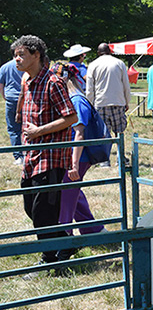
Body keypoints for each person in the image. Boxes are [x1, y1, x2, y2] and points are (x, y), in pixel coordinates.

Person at [12, 35, 79, 266]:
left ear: (36, 55)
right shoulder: (27, 81)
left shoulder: (54, 82)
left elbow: (71, 117)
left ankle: (49, 260)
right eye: (15, 55)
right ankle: (65, 242)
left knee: (44, 212)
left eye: (21, 54)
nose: (17, 59)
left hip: (51, 157)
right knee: (31, 208)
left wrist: (39, 131)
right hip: (31, 156)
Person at [52, 62, 106, 237]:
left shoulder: (76, 100)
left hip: (79, 157)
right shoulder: (72, 99)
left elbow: (79, 134)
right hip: (73, 156)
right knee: (73, 192)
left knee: (65, 198)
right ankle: (93, 230)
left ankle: (65, 237)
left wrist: (73, 165)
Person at [85, 42, 131, 165]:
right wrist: (127, 101)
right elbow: (126, 84)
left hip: (100, 102)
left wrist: (89, 105)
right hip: (118, 101)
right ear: (110, 51)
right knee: (119, 132)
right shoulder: (119, 63)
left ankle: (104, 160)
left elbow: (90, 89)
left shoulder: (93, 64)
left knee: (103, 133)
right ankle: (120, 158)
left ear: (98, 53)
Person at [0, 57, 24, 165]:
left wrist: (5, 97)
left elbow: (1, 86)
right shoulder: (27, 66)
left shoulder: (4, 67)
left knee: (13, 129)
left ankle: (18, 156)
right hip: (25, 99)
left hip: (11, 100)